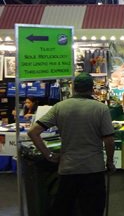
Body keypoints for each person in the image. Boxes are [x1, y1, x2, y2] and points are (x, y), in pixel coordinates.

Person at [27, 73, 115, 216]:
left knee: (65, 209)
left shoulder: (60, 107)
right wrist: (110, 162)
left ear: (74, 88)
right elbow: (109, 140)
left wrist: (48, 154)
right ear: (92, 89)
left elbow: (33, 132)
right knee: (93, 210)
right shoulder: (101, 108)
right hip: (93, 169)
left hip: (68, 169)